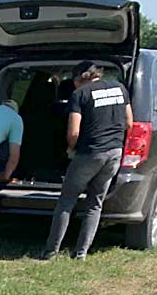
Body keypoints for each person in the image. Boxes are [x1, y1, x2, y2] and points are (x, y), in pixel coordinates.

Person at [40, 61, 132, 261]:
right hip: (114, 152)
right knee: (95, 204)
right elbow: (129, 123)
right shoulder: (119, 88)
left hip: (90, 153)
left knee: (66, 201)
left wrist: (71, 148)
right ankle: (81, 253)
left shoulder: (79, 94)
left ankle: (50, 251)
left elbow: (74, 131)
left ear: (78, 79)